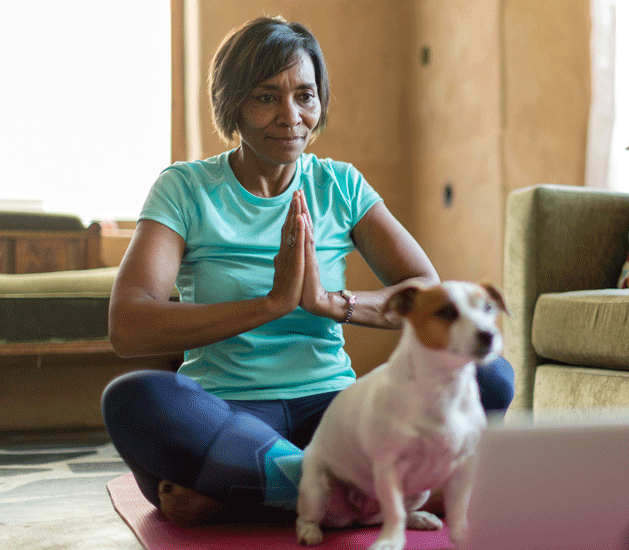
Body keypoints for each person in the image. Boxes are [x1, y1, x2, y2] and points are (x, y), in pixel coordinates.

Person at [101, 16, 514, 526]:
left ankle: (255, 492)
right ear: (233, 104)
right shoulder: (185, 188)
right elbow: (129, 324)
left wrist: (329, 303)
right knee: (134, 401)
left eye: (305, 95)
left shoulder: (339, 185)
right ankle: (343, 489)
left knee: (487, 372)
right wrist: (269, 305)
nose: (291, 116)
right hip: (229, 413)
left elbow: (428, 295)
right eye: (265, 97)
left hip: (339, 411)